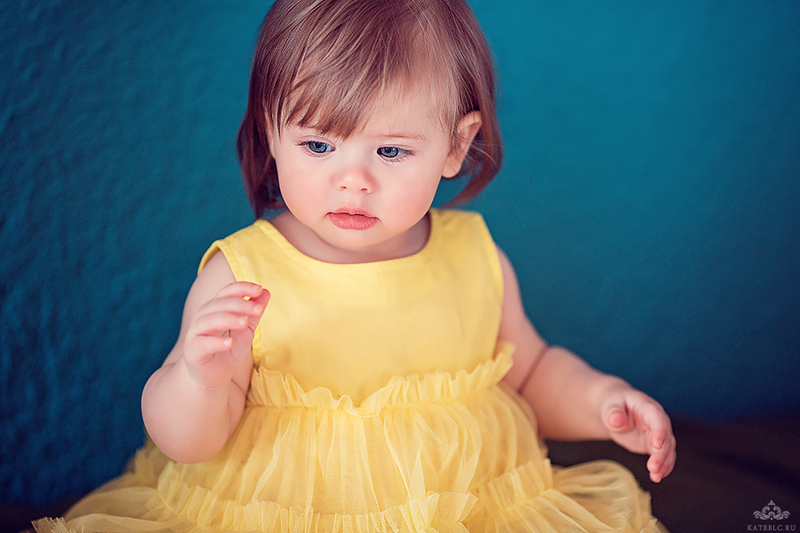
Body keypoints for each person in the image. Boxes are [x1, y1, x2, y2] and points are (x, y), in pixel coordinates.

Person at [35, 0, 675, 531]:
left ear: (455, 146)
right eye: (318, 145)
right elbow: (189, 442)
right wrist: (199, 381)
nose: (353, 181)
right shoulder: (242, 274)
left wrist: (601, 402)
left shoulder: (475, 258)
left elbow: (531, 372)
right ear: (272, 132)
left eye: (391, 151)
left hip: (463, 510)